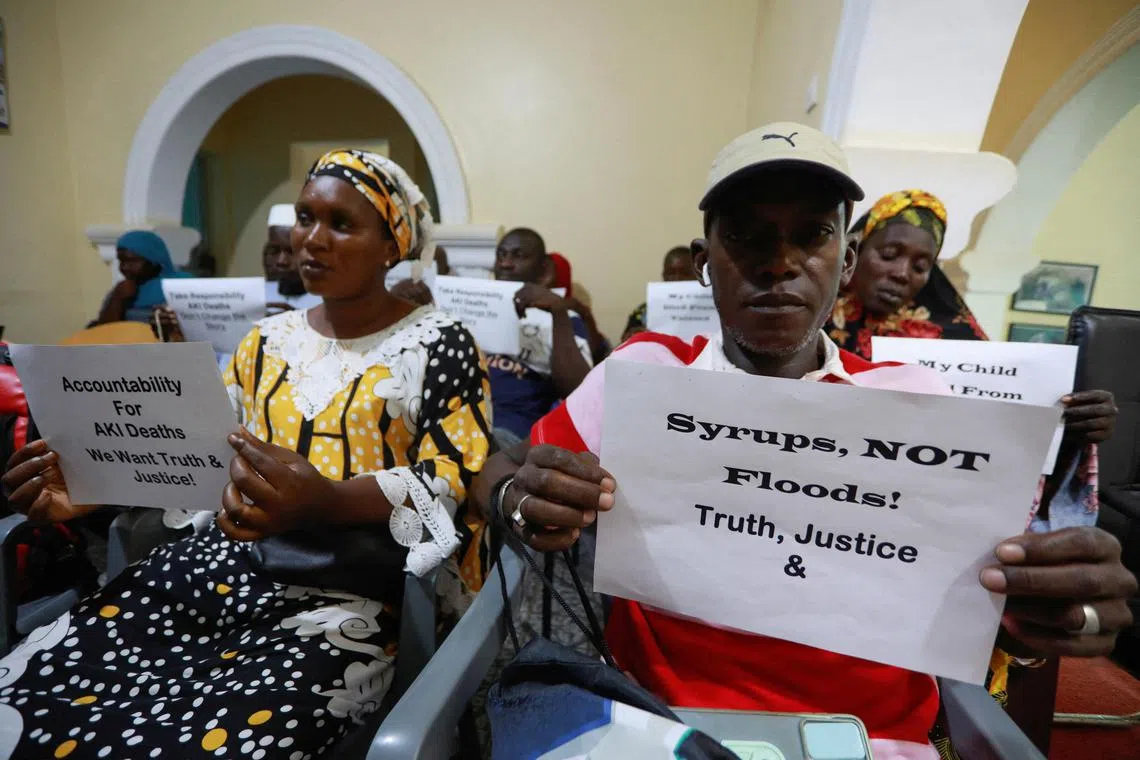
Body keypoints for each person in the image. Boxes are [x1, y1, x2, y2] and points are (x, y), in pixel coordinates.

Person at [472, 123, 1135, 758]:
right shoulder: (646, 375)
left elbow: (996, 594)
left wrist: (1035, 611)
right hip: (663, 724)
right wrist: (517, 500)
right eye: (746, 234)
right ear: (704, 263)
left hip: (875, 739)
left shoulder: (916, 400)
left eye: (812, 234)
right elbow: (503, 466)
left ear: (845, 261)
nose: (779, 262)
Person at [0, 149, 492, 759]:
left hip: (349, 590)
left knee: (216, 739)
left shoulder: (438, 342)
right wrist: (94, 489)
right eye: (305, 217)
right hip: (220, 565)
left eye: (341, 224)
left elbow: (452, 477)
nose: (312, 239)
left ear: (391, 245)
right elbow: (204, 449)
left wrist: (328, 501)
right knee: (40, 691)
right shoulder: (266, 340)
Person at [826, 190, 1114, 533]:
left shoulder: (956, 341)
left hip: (914, 517)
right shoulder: (805, 324)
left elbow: (999, 447)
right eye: (888, 255)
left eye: (921, 266)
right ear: (853, 251)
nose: (902, 273)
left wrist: (1073, 429)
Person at [487, 228, 593, 449]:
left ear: (544, 271)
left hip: (509, 431)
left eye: (518, 256)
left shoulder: (565, 319)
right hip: (462, 419)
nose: (505, 263)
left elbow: (580, 392)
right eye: (501, 255)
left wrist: (558, 312)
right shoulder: (476, 306)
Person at [94, 230, 193, 325]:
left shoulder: (182, 286)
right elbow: (103, 331)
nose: (124, 267)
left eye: (132, 261)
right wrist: (117, 299)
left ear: (154, 260)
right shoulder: (121, 290)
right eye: (121, 260)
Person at [622, 245, 697, 341]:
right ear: (663, 275)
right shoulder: (642, 312)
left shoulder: (711, 308)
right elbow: (622, 346)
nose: (677, 279)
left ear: (698, 274)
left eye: (685, 273)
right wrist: (632, 338)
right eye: (671, 273)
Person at [263, 203, 321, 313]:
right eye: (274, 251)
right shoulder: (255, 297)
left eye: (291, 251)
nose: (281, 261)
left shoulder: (328, 303)